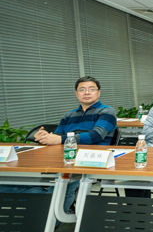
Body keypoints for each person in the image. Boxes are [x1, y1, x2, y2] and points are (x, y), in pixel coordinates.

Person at [14, 76, 117, 214]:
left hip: (89, 159)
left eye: (91, 89)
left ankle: (51, 217)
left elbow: (96, 135)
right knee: (14, 183)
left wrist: (60, 139)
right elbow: (56, 137)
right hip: (63, 158)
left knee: (61, 185)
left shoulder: (106, 111)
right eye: (82, 90)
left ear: (98, 93)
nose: (87, 92)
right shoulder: (69, 115)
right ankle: (40, 211)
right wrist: (44, 137)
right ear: (76, 94)